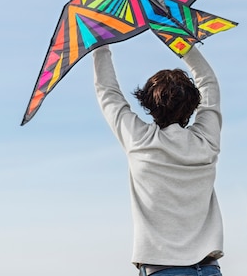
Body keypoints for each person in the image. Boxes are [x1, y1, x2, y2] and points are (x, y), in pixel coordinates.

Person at [93, 44, 224, 276]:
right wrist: (175, 36)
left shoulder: (140, 141)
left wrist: (100, 43)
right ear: (193, 105)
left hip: (161, 268)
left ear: (148, 104)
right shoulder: (206, 142)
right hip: (207, 269)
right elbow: (209, 82)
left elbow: (107, 91)